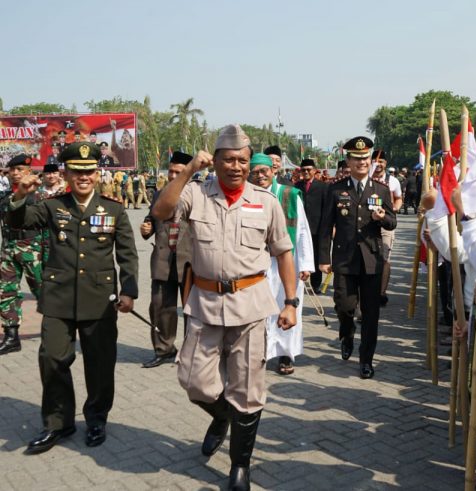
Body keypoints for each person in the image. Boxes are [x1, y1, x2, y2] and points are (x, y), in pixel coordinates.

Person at [151, 125, 298, 491]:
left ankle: (240, 467)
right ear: (214, 161)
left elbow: (284, 252)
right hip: (204, 304)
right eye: (229, 160)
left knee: (248, 390)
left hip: (250, 306)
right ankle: (222, 418)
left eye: (243, 161)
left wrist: (291, 302)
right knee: (194, 382)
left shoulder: (266, 202)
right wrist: (186, 172)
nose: (236, 167)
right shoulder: (195, 195)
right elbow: (161, 210)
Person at [8, 141, 138, 453]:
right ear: (66, 173)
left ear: (97, 173)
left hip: (99, 299)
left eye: (89, 171)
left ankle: (96, 418)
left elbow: (128, 255)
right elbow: (16, 221)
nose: (83, 176)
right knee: (51, 359)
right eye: (76, 171)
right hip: (58, 299)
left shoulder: (114, 209)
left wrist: (130, 291)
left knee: (99, 364)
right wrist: (20, 194)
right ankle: (58, 423)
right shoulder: (52, 206)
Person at [318, 136, 396, 379]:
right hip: (344, 259)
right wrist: (322, 258)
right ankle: (347, 333)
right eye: (356, 158)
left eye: (365, 158)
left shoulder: (380, 189)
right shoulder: (336, 190)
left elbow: (392, 222)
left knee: (371, 313)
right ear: (348, 161)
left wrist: (382, 217)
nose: (362, 162)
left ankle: (366, 360)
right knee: (344, 306)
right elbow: (325, 227)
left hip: (372, 259)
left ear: (371, 160)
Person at [248, 153, 313, 375]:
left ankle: (286, 355)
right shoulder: (246, 196)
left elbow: (303, 230)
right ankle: (261, 352)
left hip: (287, 263)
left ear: (273, 171)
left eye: (263, 171)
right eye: (254, 172)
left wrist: (306, 264)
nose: (259, 176)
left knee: (287, 306)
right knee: (260, 310)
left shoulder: (288, 194)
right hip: (257, 264)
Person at [139, 151, 193, 368]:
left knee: (192, 310)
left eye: (178, 172)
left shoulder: (199, 194)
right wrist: (146, 227)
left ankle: (192, 352)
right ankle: (164, 350)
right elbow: (151, 219)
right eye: (170, 171)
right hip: (163, 260)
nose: (172, 175)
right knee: (161, 308)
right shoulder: (160, 194)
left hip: (190, 263)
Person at [0, 154, 44, 355]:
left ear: (29, 172)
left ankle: (57, 329)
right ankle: (11, 337)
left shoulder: (40, 196)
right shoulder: (5, 196)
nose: (16, 174)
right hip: (9, 247)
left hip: (32, 248)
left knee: (43, 290)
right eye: (12, 170)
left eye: (21, 170)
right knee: (5, 291)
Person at [371, 150, 402, 306]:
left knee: (384, 259)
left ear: (385, 164)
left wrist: (393, 209)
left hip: (385, 225)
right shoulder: (367, 178)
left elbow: (398, 199)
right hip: (367, 224)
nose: (378, 164)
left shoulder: (393, 181)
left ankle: (381, 293)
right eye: (376, 162)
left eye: (381, 162)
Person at [295, 158, 327, 292]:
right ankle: (299, 282)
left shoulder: (323, 186)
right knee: (301, 254)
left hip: (317, 228)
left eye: (309, 169)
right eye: (304, 170)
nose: (306, 172)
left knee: (315, 256)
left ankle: (315, 284)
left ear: (314, 171)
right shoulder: (296, 187)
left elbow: (326, 209)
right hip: (300, 227)